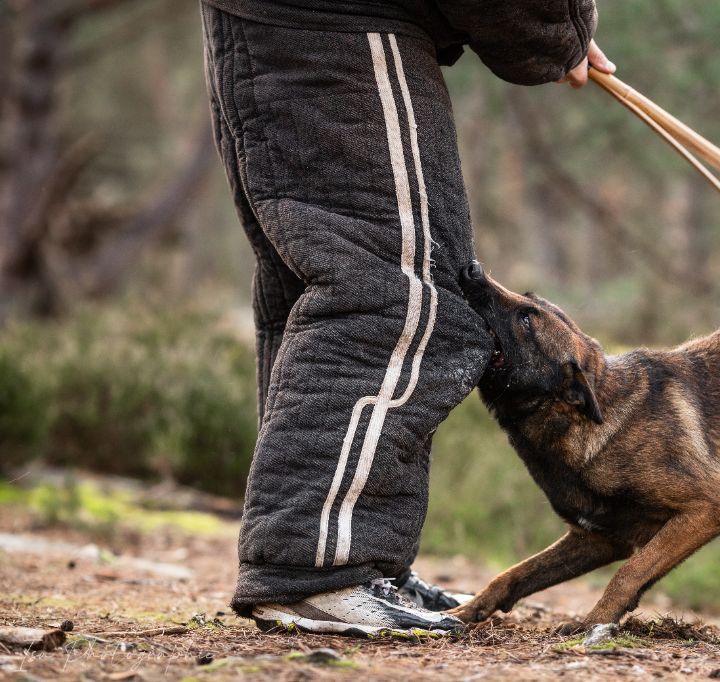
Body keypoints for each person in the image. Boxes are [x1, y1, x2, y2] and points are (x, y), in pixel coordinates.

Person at [199, 0, 615, 636]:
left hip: (296, 23)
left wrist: (554, 32)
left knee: (329, 291)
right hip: (342, 23)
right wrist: (551, 30)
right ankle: (320, 572)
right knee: (403, 297)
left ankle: (356, 564)